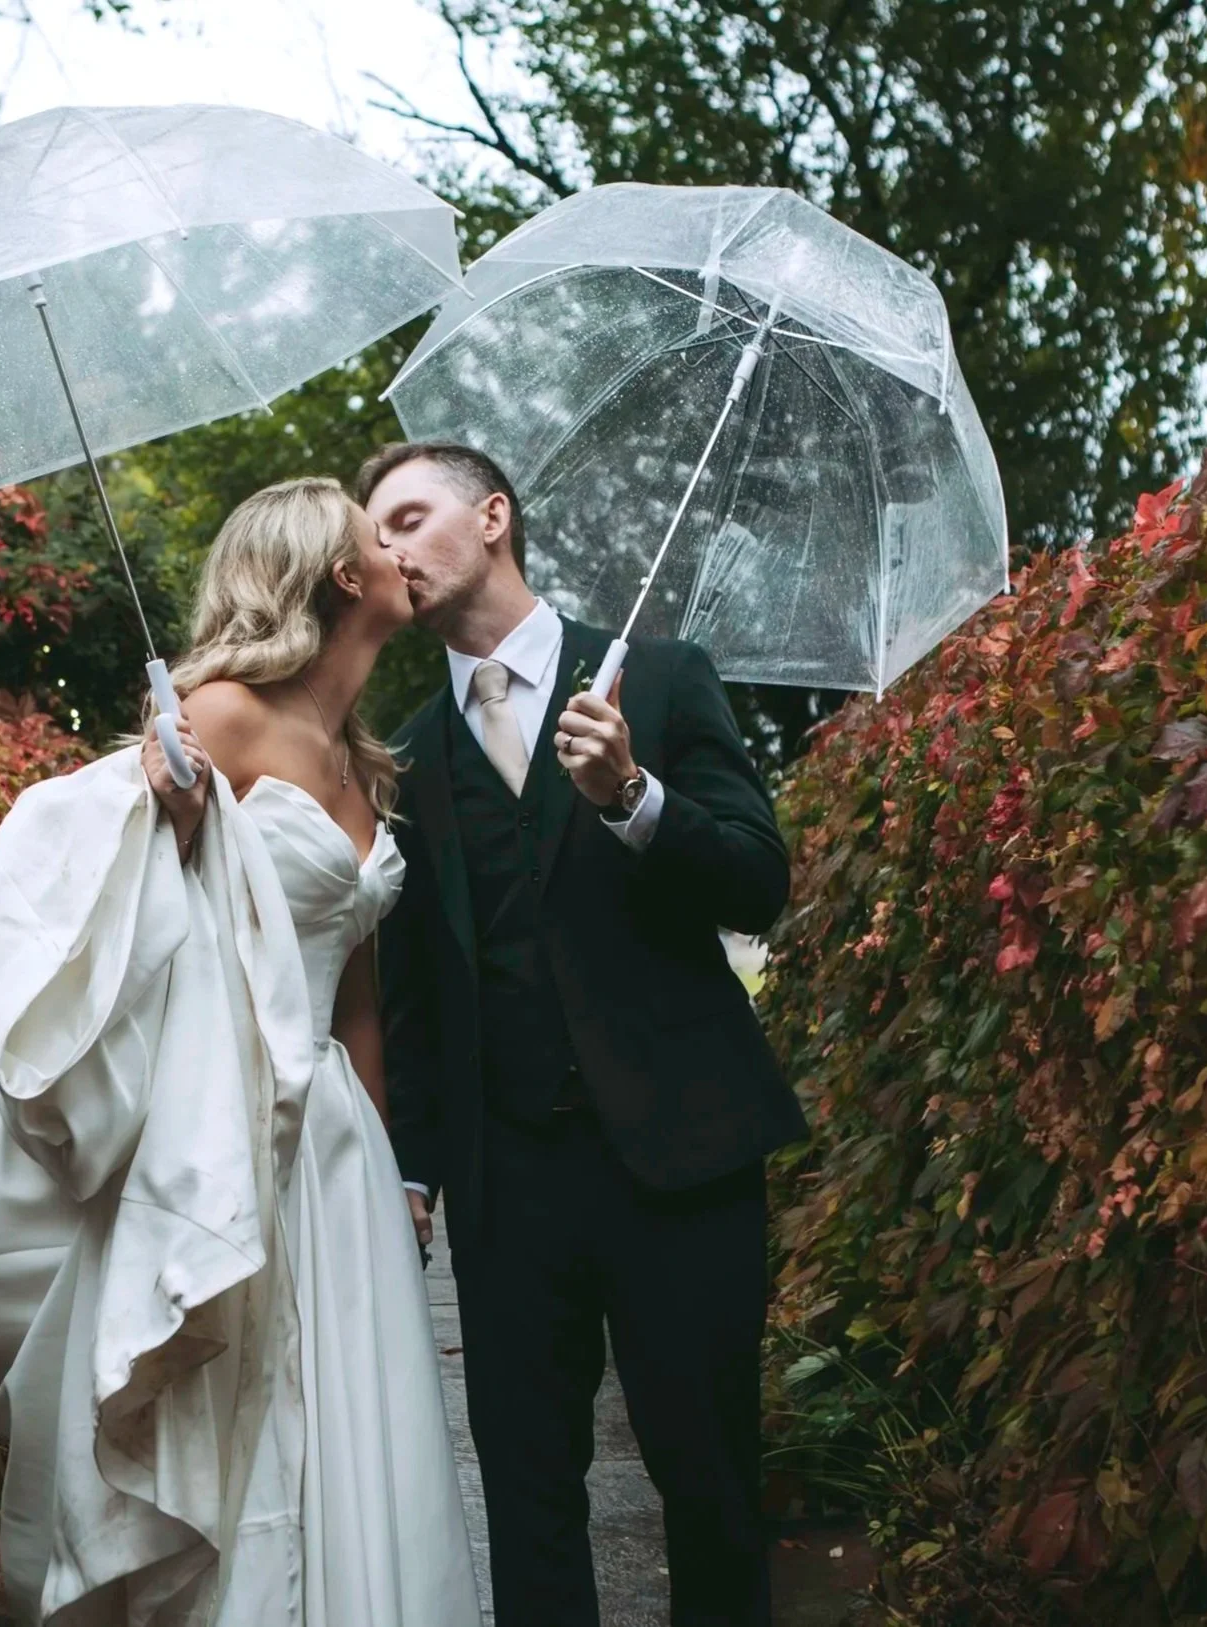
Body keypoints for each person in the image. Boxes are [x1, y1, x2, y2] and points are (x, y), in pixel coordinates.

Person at [0, 478, 478, 1627]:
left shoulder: (365, 759)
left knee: (353, 1420)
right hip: (229, 1128)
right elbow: (92, 894)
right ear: (336, 572)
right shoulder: (216, 712)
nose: (397, 548)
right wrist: (158, 820)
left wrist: (388, 1161)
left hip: (338, 1149)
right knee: (242, 1421)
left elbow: (355, 982)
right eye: (379, 531)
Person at [363, 441, 806, 1627]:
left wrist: (633, 799)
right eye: (376, 532)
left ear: (493, 516)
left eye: (409, 516)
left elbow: (759, 882)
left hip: (683, 1159)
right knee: (527, 1497)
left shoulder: (656, 679)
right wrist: (413, 1171)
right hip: (509, 1183)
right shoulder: (401, 756)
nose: (386, 547)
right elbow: (410, 990)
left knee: (708, 1480)